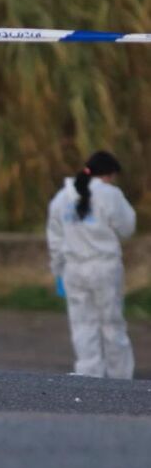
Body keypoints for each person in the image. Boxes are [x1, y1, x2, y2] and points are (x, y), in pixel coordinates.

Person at [47, 150, 136, 379]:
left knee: (82, 325)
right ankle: (120, 378)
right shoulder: (110, 194)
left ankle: (88, 378)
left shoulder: (60, 199)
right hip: (105, 268)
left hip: (73, 270)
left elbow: (55, 241)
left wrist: (58, 273)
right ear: (108, 175)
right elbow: (127, 227)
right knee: (112, 325)